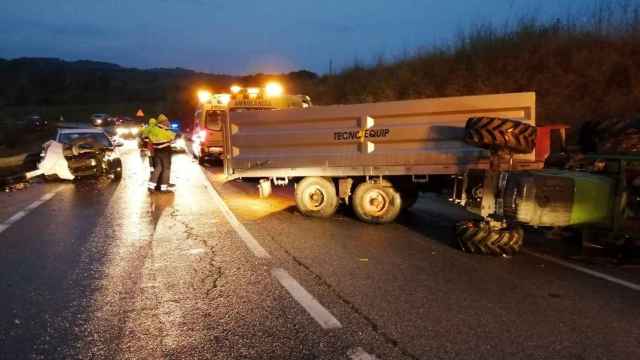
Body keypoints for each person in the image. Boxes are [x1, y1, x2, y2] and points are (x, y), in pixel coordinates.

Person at [144, 114, 176, 192]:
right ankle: (164, 188)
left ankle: (151, 186)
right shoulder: (165, 131)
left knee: (158, 168)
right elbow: (172, 138)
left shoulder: (153, 130)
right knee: (166, 169)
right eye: (167, 121)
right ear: (163, 122)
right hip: (165, 152)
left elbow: (148, 138)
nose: (168, 122)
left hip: (157, 152)